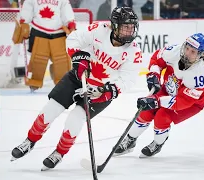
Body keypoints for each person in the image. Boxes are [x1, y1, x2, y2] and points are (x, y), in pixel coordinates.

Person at [11, 7, 143, 170]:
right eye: (125, 27)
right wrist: (78, 57)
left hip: (99, 91)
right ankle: (30, 141)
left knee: (75, 119)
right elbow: (74, 38)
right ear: (114, 26)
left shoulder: (133, 51)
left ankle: (59, 153)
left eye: (132, 27)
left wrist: (108, 91)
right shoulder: (98, 30)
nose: (130, 31)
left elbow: (128, 79)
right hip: (77, 78)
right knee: (51, 109)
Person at [114, 33, 204, 157]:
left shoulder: (200, 75)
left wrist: (157, 101)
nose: (187, 53)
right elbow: (157, 59)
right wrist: (154, 75)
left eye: (192, 52)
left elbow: (183, 101)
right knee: (146, 109)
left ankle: (157, 143)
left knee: (162, 115)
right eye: (187, 48)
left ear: (201, 55)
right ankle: (130, 140)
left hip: (191, 103)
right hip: (169, 89)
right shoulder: (176, 51)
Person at [11, 0, 77, 91]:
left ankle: (62, 82)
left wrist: (70, 22)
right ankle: (34, 82)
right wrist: (24, 22)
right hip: (38, 31)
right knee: (38, 60)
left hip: (59, 32)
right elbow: (27, 9)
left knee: (61, 61)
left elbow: (66, 10)